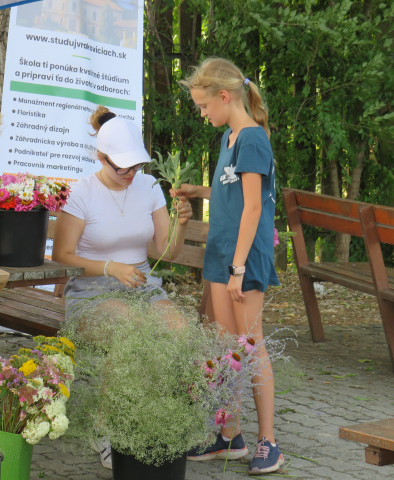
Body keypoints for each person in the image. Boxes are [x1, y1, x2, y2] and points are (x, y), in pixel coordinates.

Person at [52, 107, 192, 467]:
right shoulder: (82, 192)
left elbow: (165, 252)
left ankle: (155, 420)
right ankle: (107, 427)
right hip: (90, 293)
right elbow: (61, 256)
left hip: (143, 288)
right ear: (101, 157)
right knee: (131, 329)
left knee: (179, 329)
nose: (130, 174)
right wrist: (109, 267)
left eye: (136, 166)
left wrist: (183, 224)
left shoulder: (149, 187)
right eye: (122, 167)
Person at [176, 57, 282, 475]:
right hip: (221, 254)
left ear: (224, 96)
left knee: (250, 347)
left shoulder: (252, 139)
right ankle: (229, 437)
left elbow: (254, 207)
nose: (203, 114)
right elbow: (232, 191)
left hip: (244, 258)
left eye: (204, 106)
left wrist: (239, 268)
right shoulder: (230, 137)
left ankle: (269, 442)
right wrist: (197, 190)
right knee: (225, 349)